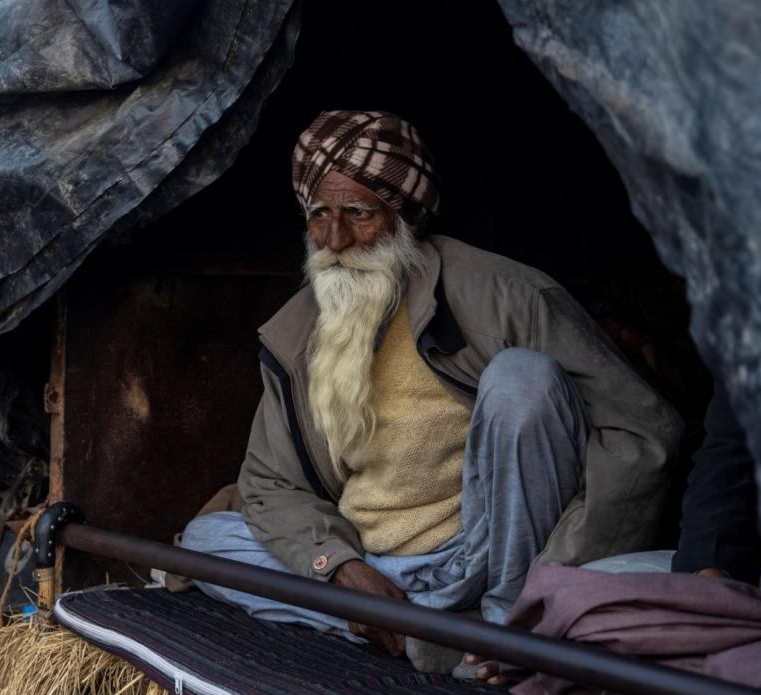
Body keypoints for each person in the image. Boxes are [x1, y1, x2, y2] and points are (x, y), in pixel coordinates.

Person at [176, 110, 684, 663]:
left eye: (360, 214)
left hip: (485, 556)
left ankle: (507, 628)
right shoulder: (297, 333)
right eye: (319, 215)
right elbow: (270, 483)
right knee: (207, 543)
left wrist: (552, 580)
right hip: (374, 565)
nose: (336, 239)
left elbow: (644, 433)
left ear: (408, 215)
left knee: (522, 380)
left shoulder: (508, 295)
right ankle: (422, 635)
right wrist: (340, 569)